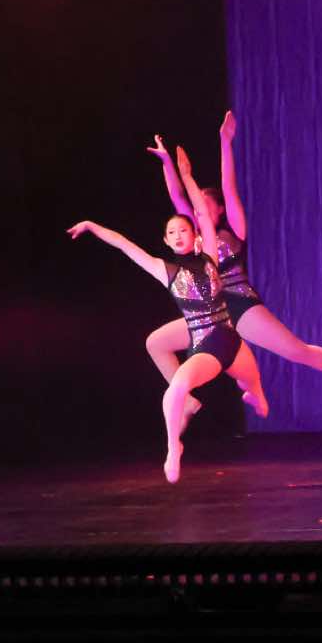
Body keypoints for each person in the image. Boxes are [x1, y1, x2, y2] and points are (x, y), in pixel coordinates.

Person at [143, 114, 322, 405]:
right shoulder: (195, 234)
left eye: (205, 207)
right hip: (209, 314)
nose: (199, 212)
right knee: (158, 342)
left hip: (239, 304)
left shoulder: (233, 230)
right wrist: (166, 162)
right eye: (197, 210)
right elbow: (177, 196)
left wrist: (225, 142)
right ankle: (188, 401)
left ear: (219, 210)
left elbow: (228, 186)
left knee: (297, 351)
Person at [67, 183, 269, 484]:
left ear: (195, 234)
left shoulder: (210, 255)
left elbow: (203, 214)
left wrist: (186, 177)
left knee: (256, 390)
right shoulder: (164, 270)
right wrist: (92, 226)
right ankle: (174, 447)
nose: (177, 235)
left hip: (232, 341)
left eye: (183, 230)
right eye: (171, 232)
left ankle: (256, 397)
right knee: (177, 388)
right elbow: (124, 244)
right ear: (165, 240)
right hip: (207, 346)